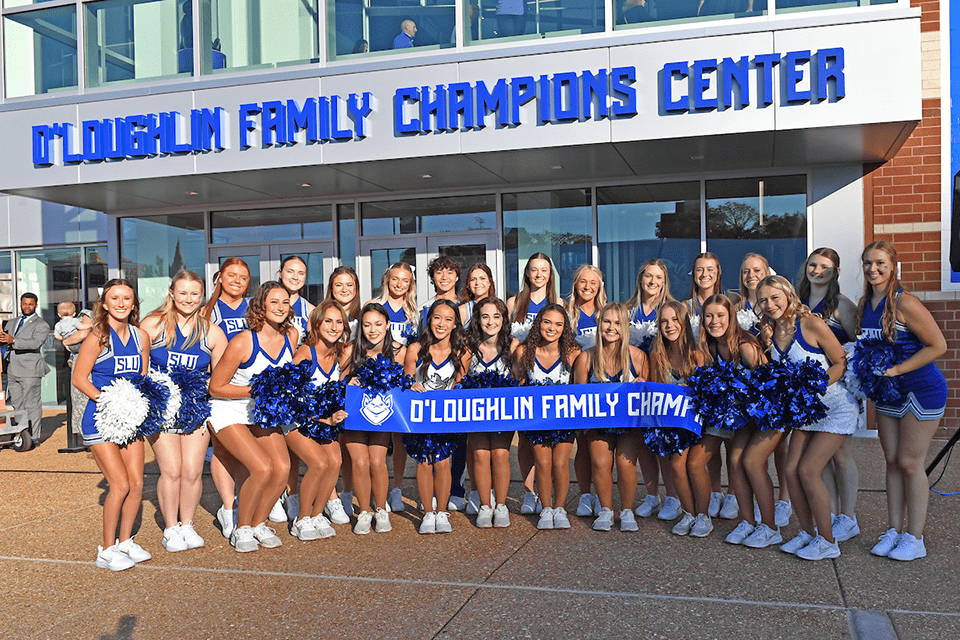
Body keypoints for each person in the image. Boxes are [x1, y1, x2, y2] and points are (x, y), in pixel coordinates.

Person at [858, 241, 947, 561]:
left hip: (921, 390)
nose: (873, 269)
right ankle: (894, 530)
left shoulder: (905, 302)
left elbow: (938, 345)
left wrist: (896, 369)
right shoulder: (865, 303)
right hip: (888, 393)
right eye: (868, 263)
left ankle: (915, 537)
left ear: (893, 266)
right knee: (893, 461)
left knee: (910, 463)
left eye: (880, 263)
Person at [758, 275, 857, 560]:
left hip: (834, 407)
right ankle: (807, 533)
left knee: (808, 471)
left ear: (788, 294)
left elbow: (840, 361)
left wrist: (817, 386)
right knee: (789, 472)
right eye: (763, 300)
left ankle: (828, 541)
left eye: (775, 297)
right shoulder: (770, 331)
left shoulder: (811, 324)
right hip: (804, 412)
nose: (770, 304)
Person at [141, 271, 228, 553]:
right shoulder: (153, 325)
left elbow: (219, 380)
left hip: (194, 408)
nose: (188, 299)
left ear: (201, 296)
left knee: (192, 471)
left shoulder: (212, 332)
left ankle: (187, 524)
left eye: (194, 294)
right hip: (162, 409)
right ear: (172, 294)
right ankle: (170, 528)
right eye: (183, 293)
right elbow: (140, 372)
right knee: (172, 470)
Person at [207, 281, 297, 553]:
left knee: (282, 469)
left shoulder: (291, 335)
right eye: (274, 302)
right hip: (228, 409)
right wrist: (258, 389)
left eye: (285, 302)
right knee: (262, 468)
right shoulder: (243, 341)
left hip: (261, 411)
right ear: (261, 306)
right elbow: (216, 386)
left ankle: (258, 523)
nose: (281, 308)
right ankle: (241, 527)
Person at [72, 279, 151, 571]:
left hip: (131, 419)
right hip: (100, 418)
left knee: (137, 483)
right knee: (119, 484)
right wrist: (107, 401)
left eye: (126, 298)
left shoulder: (142, 336)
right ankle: (106, 551)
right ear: (104, 304)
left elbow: (141, 377)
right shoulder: (97, 337)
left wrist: (138, 403)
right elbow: (79, 378)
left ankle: (125, 541)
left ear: (133, 304)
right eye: (114, 298)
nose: (120, 303)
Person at [695, 294, 777, 547]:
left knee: (751, 463)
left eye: (720, 315)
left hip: (762, 415)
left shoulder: (745, 347)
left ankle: (770, 527)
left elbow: (769, 384)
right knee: (734, 460)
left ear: (731, 317)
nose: (714, 321)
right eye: (709, 316)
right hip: (739, 417)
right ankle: (748, 521)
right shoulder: (710, 346)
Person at [797, 247, 861, 544]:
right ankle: (831, 513)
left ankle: (848, 517)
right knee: (819, 460)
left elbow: (855, 347)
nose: (817, 270)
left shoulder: (842, 306)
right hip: (809, 397)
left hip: (838, 391)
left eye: (824, 266)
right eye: (813, 265)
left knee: (840, 454)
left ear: (835, 271)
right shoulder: (798, 304)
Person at [574, 302, 648, 532]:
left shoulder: (638, 357)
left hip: (628, 425)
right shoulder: (586, 358)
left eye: (617, 323)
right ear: (599, 323)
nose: (611, 327)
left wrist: (642, 385)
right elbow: (577, 398)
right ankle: (605, 509)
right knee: (601, 463)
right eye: (607, 321)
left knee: (625, 464)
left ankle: (626, 511)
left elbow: (648, 395)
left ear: (625, 327)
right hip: (598, 424)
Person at [403, 299, 471, 534]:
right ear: (429, 319)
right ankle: (427, 513)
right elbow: (407, 381)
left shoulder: (462, 351)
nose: (441, 323)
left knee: (442, 463)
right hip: (421, 418)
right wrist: (411, 386)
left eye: (448, 319)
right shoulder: (415, 349)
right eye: (437, 317)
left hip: (446, 418)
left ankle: (442, 512)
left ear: (455, 324)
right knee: (423, 462)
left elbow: (462, 383)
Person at [513, 304, 581, 530]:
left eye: (559, 324)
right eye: (547, 322)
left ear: (565, 328)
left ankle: (560, 507)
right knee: (542, 463)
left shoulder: (573, 353)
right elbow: (516, 384)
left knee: (560, 463)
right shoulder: (524, 351)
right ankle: (546, 507)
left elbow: (581, 390)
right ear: (538, 324)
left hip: (564, 419)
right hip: (536, 420)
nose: (552, 328)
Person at [738, 253, 792, 528]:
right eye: (746, 271)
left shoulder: (777, 302)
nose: (751, 275)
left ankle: (784, 500)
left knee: (780, 449)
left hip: (776, 388)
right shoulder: (737, 306)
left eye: (756, 270)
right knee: (752, 450)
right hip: (750, 389)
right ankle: (761, 499)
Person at [288, 301, 350, 540]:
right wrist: (323, 419)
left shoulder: (338, 353)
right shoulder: (305, 353)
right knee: (319, 464)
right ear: (316, 323)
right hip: (297, 419)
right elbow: (292, 398)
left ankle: (316, 515)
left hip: (324, 421)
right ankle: (301, 519)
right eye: (328, 321)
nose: (334, 327)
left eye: (338, 322)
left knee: (335, 462)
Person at [201, 258, 253, 539]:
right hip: (221, 385)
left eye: (243, 277)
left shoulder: (254, 308)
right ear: (219, 277)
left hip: (249, 387)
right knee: (223, 448)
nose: (237, 281)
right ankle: (228, 506)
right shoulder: (206, 311)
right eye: (231, 275)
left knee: (248, 449)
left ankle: (246, 500)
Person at [647, 300, 707, 536]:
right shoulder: (657, 354)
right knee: (676, 465)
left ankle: (702, 516)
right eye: (664, 321)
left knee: (686, 465)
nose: (669, 326)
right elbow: (655, 391)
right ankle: (689, 513)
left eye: (674, 320)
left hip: (697, 424)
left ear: (684, 322)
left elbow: (706, 392)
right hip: (672, 425)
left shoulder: (698, 353)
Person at [624, 258, 678, 520]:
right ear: (640, 278)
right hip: (634, 386)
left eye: (658, 277)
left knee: (664, 444)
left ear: (664, 281)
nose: (653, 282)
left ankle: (672, 498)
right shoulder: (628, 310)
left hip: (661, 383)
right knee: (645, 444)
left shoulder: (670, 309)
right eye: (648, 276)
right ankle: (652, 495)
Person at [342, 303, 402, 533]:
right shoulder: (350, 352)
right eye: (367, 325)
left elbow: (404, 383)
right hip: (354, 419)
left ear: (387, 325)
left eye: (378, 324)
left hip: (381, 418)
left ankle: (381, 509)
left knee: (377, 462)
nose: (373, 329)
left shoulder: (398, 351)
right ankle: (365, 511)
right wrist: (348, 383)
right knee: (359, 462)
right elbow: (337, 383)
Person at [507, 253, 559, 515]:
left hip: (551, 378)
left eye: (544, 270)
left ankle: (546, 491)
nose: (539, 274)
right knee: (526, 440)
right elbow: (506, 340)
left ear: (551, 275)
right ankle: (529, 492)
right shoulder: (514, 302)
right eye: (534, 270)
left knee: (548, 443)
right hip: (523, 377)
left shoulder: (558, 302)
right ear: (526, 273)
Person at [368, 262, 418, 513]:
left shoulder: (414, 312)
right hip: (375, 382)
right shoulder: (373, 305)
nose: (399, 284)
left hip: (400, 383)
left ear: (411, 284)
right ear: (387, 278)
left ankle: (396, 489)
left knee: (399, 440)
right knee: (377, 440)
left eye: (405, 281)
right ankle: (373, 490)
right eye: (395, 279)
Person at [464, 297, 514, 528]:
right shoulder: (468, 348)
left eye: (496, 316)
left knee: (501, 454)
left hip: (503, 415)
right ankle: (485, 504)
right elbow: (460, 380)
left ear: (504, 319)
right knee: (480, 455)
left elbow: (520, 380)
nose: (490, 321)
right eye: (485, 316)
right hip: (475, 415)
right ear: (477, 320)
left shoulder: (513, 347)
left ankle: (501, 505)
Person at [565, 265, 606, 518]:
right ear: (575, 284)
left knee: (600, 445)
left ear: (600, 286)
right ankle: (585, 495)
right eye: (583, 281)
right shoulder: (568, 313)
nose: (588, 287)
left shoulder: (606, 313)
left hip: (603, 387)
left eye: (593, 282)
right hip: (575, 386)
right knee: (582, 444)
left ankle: (602, 496)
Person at [277, 255, 316, 522]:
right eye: (290, 271)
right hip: (273, 383)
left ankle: (291, 495)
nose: (295, 276)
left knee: (295, 445)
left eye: (300, 273)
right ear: (280, 273)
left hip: (300, 385)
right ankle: (276, 493)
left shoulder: (311, 310)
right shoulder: (270, 302)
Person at [323, 265, 361, 516]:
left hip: (353, 390)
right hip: (328, 387)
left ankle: (347, 492)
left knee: (348, 447)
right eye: (339, 284)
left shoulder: (365, 315)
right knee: (327, 446)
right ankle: (330, 496)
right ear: (331, 288)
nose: (344, 289)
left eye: (349, 285)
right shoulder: (321, 315)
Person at [0, 292, 51, 445]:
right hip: (12, 369)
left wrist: (13, 340)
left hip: (30, 370)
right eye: (24, 303)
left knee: (32, 403)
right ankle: (21, 434)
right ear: (20, 304)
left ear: (35, 305)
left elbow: (35, 343)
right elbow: (3, 339)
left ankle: (34, 437)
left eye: (30, 304)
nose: (27, 306)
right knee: (17, 404)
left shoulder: (41, 324)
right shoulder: (12, 322)